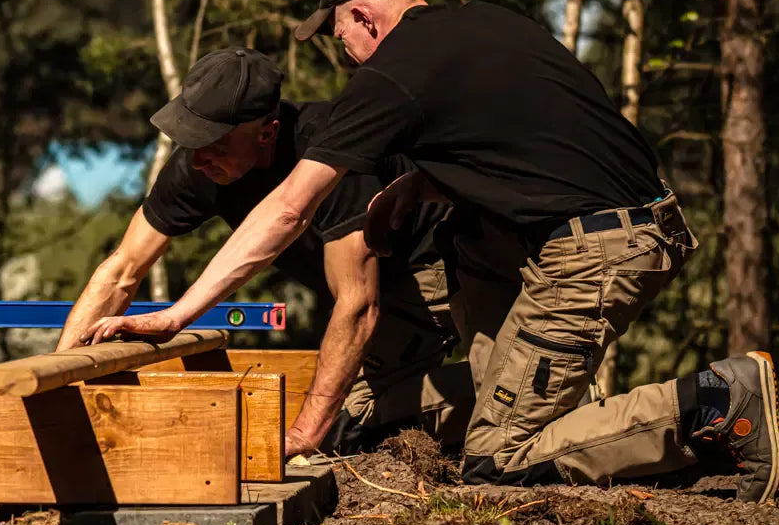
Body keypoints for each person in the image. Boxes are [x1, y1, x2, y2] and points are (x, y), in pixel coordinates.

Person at [82, 0, 778, 501]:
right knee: (459, 395)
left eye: (338, 33)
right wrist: (418, 185)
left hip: (595, 247)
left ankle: (716, 402)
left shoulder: (392, 73)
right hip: (612, 222)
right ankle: (543, 402)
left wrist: (175, 316)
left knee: (497, 464)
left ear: (362, 17)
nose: (342, 50)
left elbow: (289, 210)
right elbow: (535, 140)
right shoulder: (490, 25)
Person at [57, 47, 470, 455]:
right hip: (376, 290)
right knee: (355, 427)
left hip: (440, 267)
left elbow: (359, 304)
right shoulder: (196, 169)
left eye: (213, 142)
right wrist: (57, 378)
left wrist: (305, 432)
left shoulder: (333, 149)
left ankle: (511, 392)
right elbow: (121, 270)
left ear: (266, 132)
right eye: (190, 139)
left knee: (353, 430)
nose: (198, 158)